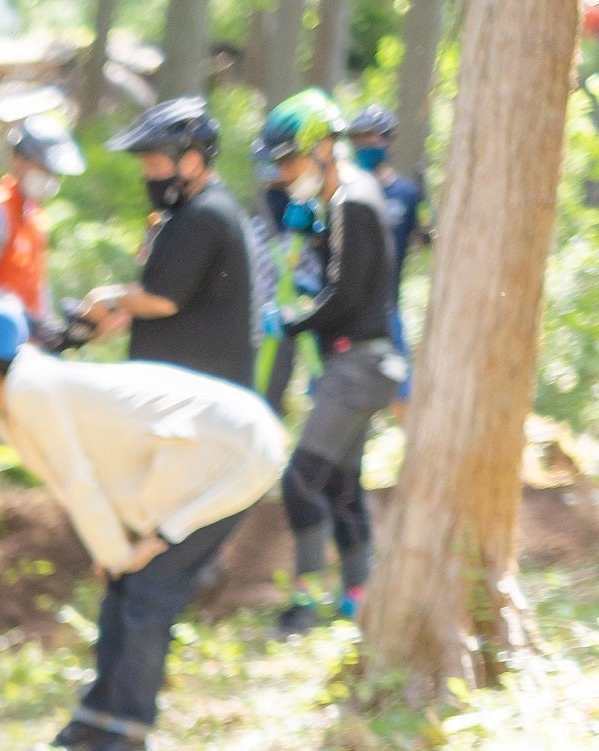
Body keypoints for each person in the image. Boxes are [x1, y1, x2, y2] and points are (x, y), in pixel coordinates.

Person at [0, 295, 286, 751]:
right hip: (183, 467)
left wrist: (132, 545)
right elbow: (82, 478)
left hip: (231, 455)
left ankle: (127, 740)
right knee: (123, 588)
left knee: (147, 593)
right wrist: (113, 549)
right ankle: (91, 727)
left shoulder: (31, 389)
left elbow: (78, 480)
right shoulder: (15, 401)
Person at [257, 89, 403, 631]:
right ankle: (360, 594)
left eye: (288, 159)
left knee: (302, 481)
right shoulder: (338, 204)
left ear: (321, 148)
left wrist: (293, 321)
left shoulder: (352, 201)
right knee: (342, 484)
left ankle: (306, 601)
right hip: (355, 363)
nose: (283, 171)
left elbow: (343, 296)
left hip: (358, 365)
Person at [84, 98, 259, 390]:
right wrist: (121, 316)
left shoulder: (204, 215)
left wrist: (107, 300)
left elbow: (161, 299)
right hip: (192, 395)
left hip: (199, 399)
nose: (147, 176)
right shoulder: (197, 212)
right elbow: (186, 296)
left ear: (191, 162)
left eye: (154, 165)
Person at [0, 109, 84, 320]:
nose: (49, 177)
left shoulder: (36, 218)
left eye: (54, 172)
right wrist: (13, 309)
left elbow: (38, 284)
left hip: (25, 341)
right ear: (18, 161)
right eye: (43, 168)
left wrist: (47, 324)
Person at [346, 103, 424, 377]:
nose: (365, 144)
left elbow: (425, 239)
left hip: (387, 309)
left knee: (402, 389)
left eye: (372, 137)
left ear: (388, 141)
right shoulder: (345, 194)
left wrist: (426, 215)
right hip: (345, 313)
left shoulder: (406, 193)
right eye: (359, 138)